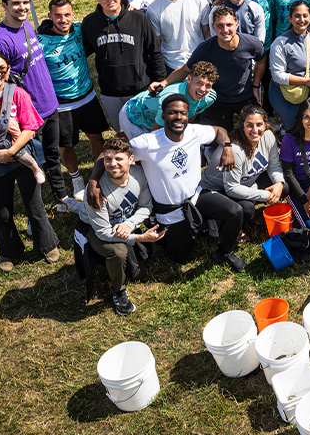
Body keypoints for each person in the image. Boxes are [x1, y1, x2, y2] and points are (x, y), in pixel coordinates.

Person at [94, 93, 238, 269]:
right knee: (181, 257)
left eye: (183, 113)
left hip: (196, 197)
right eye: (172, 113)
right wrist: (94, 182)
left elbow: (218, 130)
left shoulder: (194, 131)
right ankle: (164, 225)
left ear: (188, 115)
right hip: (169, 210)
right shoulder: (148, 143)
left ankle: (224, 253)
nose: (178, 117)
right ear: (163, 117)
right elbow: (106, 154)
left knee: (235, 211)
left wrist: (227, 147)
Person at [0, 50, 60, 271]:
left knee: (34, 206)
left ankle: (46, 245)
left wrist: (11, 152)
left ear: (8, 70)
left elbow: (30, 128)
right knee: (2, 210)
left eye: (3, 68)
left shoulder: (18, 94)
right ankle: (8, 252)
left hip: (21, 159)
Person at [0, 0, 66, 204]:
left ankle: (62, 198)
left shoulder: (28, 25)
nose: (22, 7)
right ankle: (34, 214)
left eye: (25, 2)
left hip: (49, 103)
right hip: (29, 113)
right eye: (16, 3)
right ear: (4, 5)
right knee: (33, 163)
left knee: (52, 156)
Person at [71, 137, 163, 315]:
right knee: (118, 252)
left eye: (119, 159)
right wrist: (140, 237)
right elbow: (104, 233)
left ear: (131, 160)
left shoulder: (139, 174)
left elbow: (146, 207)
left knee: (138, 273)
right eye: (108, 159)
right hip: (95, 228)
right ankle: (118, 291)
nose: (113, 164)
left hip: (122, 223)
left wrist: (128, 224)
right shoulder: (95, 192)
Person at [38, 0, 108, 197]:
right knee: (66, 145)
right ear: (50, 16)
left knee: (97, 138)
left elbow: (101, 18)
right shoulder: (40, 42)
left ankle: (99, 174)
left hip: (87, 97)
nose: (63, 20)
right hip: (62, 105)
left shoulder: (79, 28)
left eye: (67, 15)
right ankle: (76, 180)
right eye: (58, 16)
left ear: (73, 15)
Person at [81, 0, 165, 138]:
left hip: (140, 88)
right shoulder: (90, 23)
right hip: (110, 91)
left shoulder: (139, 18)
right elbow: (82, 50)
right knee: (122, 133)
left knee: (147, 130)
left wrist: (160, 79)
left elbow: (154, 51)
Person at [158, 6, 264, 131]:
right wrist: (164, 83)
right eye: (220, 26)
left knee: (254, 128)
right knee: (222, 134)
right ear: (213, 27)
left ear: (236, 24)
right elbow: (185, 69)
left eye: (229, 25)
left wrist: (256, 86)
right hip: (218, 98)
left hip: (245, 95)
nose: (225, 30)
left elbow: (261, 62)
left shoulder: (252, 44)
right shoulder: (205, 48)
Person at [201, 104, 286, 241]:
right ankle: (226, 221)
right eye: (249, 125)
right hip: (217, 190)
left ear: (265, 124)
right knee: (247, 208)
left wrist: (279, 183)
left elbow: (274, 164)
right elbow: (231, 188)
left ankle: (247, 214)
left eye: (259, 125)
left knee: (284, 186)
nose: (255, 130)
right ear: (242, 126)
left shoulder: (268, 136)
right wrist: (265, 195)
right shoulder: (235, 150)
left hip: (246, 181)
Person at [265, 0, 310, 130]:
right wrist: (306, 81)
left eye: (305, 16)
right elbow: (277, 75)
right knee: (295, 130)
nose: (301, 19)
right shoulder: (280, 43)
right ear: (289, 18)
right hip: (289, 95)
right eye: (297, 16)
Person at [120, 61, 217, 138]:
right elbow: (156, 133)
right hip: (133, 116)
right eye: (199, 83)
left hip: (154, 119)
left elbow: (192, 114)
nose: (203, 89)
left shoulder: (210, 97)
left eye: (208, 85)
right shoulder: (171, 100)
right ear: (189, 79)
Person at [145, 0, 211, 71]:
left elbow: (207, 33)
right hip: (171, 66)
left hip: (199, 63)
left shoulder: (199, 0)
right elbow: (157, 43)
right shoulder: (153, 9)